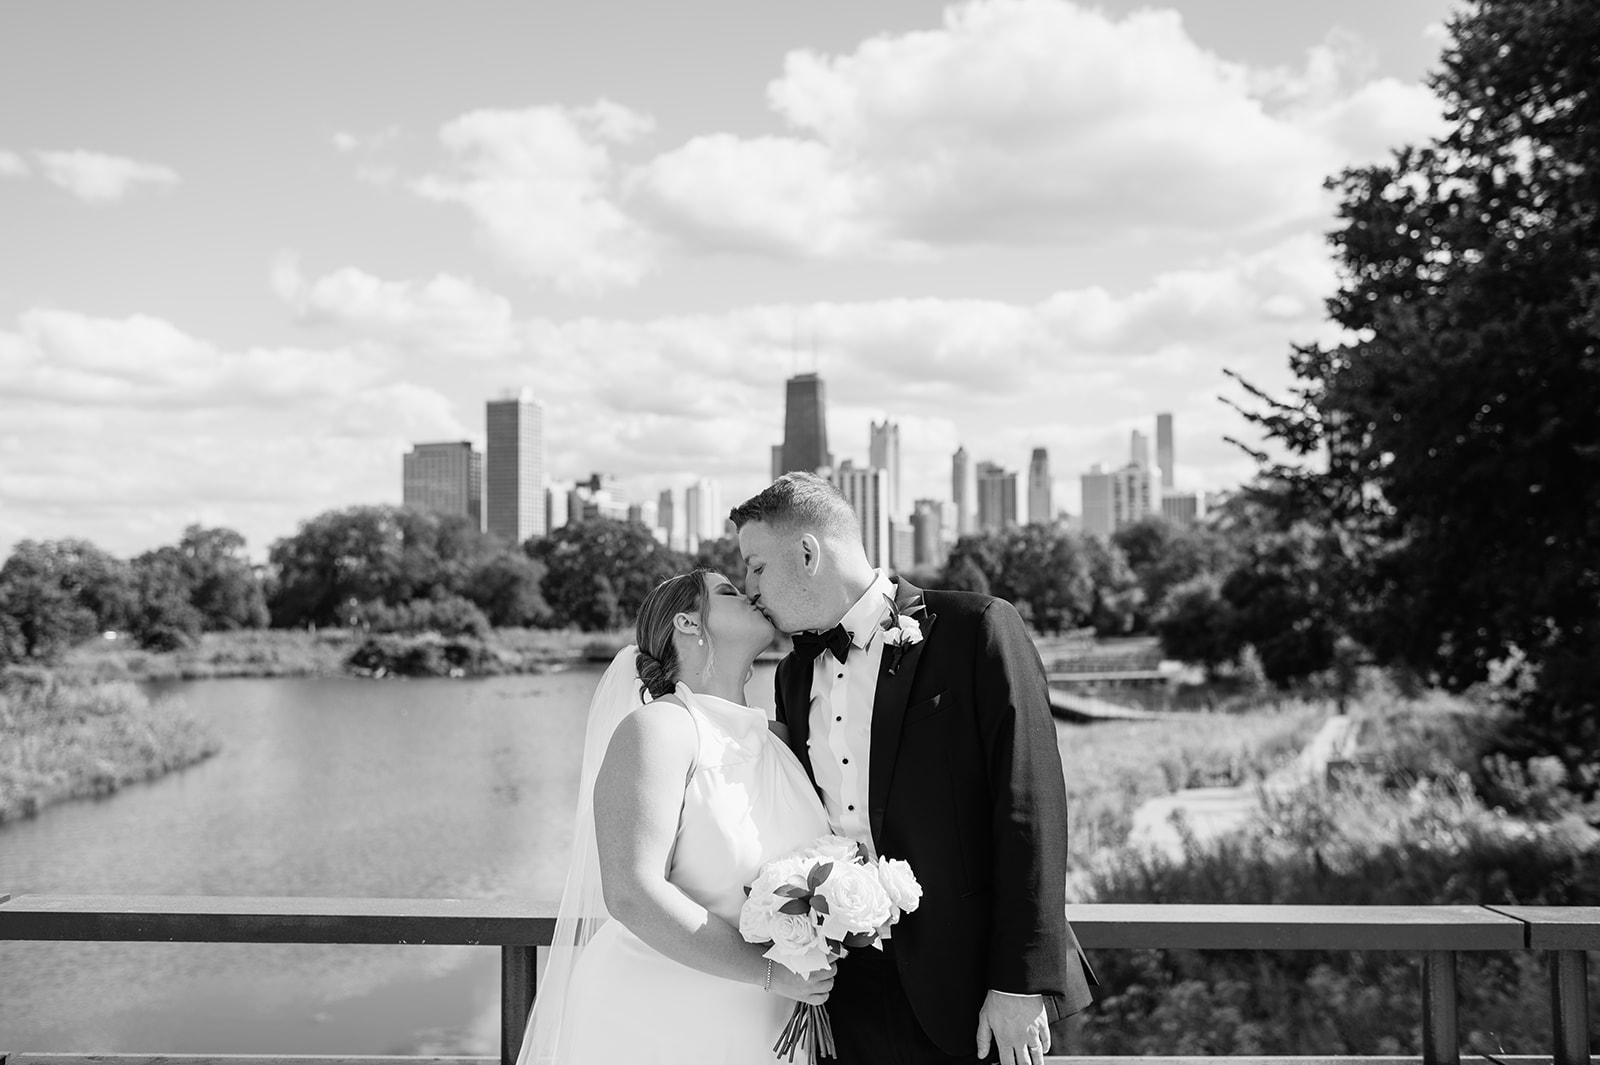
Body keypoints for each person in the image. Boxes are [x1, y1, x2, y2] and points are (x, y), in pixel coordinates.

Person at [731, 472, 1097, 1065]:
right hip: (837, 992)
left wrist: (1018, 983)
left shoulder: (977, 629)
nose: (750, 588)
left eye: (756, 566)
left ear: (806, 553)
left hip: (971, 988)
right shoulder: (793, 676)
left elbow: (1030, 807)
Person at [517, 568, 836, 1065]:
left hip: (766, 1021)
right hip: (660, 1017)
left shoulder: (780, 738)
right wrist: (772, 974)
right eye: (729, 592)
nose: (752, 593)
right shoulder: (660, 729)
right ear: (688, 623)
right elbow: (631, 892)